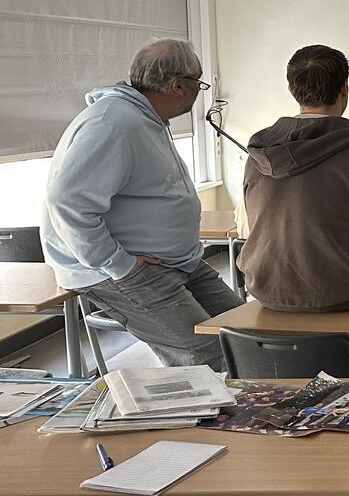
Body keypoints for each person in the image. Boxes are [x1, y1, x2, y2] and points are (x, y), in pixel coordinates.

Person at [40, 39, 243, 368]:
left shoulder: (146, 118)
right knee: (207, 356)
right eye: (198, 83)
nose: (199, 91)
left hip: (176, 261)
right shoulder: (113, 123)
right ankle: (212, 416)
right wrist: (119, 263)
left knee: (247, 332)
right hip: (124, 269)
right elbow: (67, 202)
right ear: (178, 86)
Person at [237, 44, 349, 313]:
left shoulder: (259, 153)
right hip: (342, 293)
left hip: (264, 288)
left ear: (292, 89)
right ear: (344, 89)